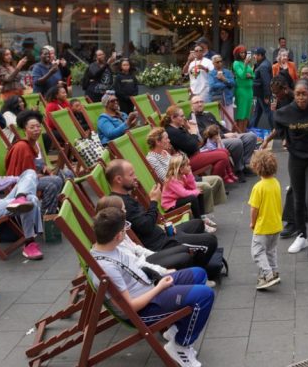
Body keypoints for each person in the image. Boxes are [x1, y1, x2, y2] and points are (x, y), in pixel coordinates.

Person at [89, 207, 214, 366]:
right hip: (144, 309)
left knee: (199, 273)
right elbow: (131, 307)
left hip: (149, 286)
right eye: (124, 228)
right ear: (118, 235)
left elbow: (138, 266)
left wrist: (161, 274)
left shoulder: (110, 246)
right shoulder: (107, 267)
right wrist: (159, 287)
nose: (127, 230)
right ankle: (181, 345)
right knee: (204, 295)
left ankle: (175, 331)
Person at [262, 79, 308, 260]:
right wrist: (284, 138)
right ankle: (302, 235)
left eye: (304, 94)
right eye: (298, 94)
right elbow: (277, 121)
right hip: (295, 158)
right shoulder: (286, 112)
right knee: (297, 199)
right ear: (294, 95)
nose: (301, 98)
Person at [104, 160, 218, 269]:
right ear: (118, 179)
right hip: (160, 245)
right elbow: (146, 226)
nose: (136, 177)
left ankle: (194, 259)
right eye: (131, 175)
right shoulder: (120, 204)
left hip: (162, 234)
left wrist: (165, 226)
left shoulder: (125, 197)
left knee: (198, 223)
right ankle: (198, 270)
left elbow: (144, 221)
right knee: (210, 241)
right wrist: (153, 201)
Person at [5, 110, 67, 215]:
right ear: (25, 129)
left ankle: (59, 207)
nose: (36, 130)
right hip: (23, 183)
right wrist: (40, 175)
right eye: (32, 127)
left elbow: (39, 164)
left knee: (67, 173)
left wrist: (44, 168)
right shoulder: (22, 146)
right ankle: (46, 215)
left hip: (38, 176)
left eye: (38, 126)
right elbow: (23, 175)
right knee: (54, 182)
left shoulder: (37, 144)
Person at [190, 97, 258, 177]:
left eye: (201, 101)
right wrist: (224, 136)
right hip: (213, 142)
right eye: (197, 102)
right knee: (236, 142)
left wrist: (232, 133)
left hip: (224, 137)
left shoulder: (208, 114)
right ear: (191, 105)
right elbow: (204, 136)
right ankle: (239, 169)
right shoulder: (192, 119)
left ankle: (245, 164)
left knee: (251, 136)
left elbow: (220, 127)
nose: (200, 104)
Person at [248, 150, 282, 290]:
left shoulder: (258, 187)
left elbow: (254, 209)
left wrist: (252, 223)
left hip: (263, 227)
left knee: (257, 252)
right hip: (276, 224)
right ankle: (274, 271)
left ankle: (267, 275)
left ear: (256, 167)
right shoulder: (276, 183)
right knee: (271, 250)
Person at [162, 154, 215, 232]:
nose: (189, 167)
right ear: (180, 169)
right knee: (193, 197)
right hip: (170, 205)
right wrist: (195, 192)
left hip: (177, 200)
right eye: (187, 165)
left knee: (199, 192)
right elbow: (183, 193)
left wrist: (189, 174)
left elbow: (193, 187)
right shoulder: (172, 180)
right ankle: (200, 223)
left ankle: (203, 217)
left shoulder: (182, 176)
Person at [208, 54, 237, 129]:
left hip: (227, 100)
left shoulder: (228, 72)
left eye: (221, 61)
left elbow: (233, 83)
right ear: (213, 63)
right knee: (218, 121)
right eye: (217, 62)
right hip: (217, 101)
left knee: (229, 122)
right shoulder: (211, 74)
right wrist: (226, 84)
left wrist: (224, 79)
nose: (220, 63)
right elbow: (212, 86)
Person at [231, 45, 255, 133]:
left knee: (247, 114)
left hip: (249, 90)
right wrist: (245, 66)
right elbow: (241, 75)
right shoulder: (236, 63)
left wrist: (250, 75)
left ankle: (244, 132)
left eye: (244, 52)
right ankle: (239, 133)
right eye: (241, 53)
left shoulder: (246, 63)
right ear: (237, 54)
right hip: (241, 90)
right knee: (241, 113)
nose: (244, 54)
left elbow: (253, 75)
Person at [251, 47, 274, 130]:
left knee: (268, 112)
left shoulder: (263, 66)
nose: (254, 56)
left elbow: (266, 82)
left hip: (262, 94)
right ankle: (252, 128)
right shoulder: (261, 64)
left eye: (256, 55)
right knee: (257, 112)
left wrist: (267, 96)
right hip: (260, 93)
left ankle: (276, 130)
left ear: (261, 55)